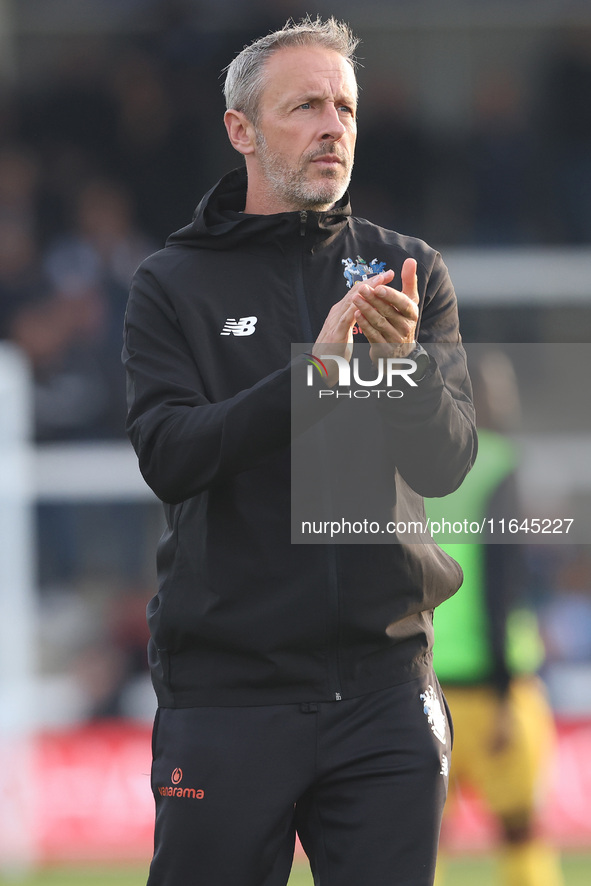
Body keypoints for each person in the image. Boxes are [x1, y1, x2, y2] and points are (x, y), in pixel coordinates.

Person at [122, 16, 477, 886]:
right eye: (307, 106)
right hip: (229, 694)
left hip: (385, 689)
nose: (333, 127)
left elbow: (445, 464)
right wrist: (314, 374)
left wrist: (400, 375)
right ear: (242, 130)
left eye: (345, 107)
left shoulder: (407, 271)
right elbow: (170, 454)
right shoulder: (171, 282)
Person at [427, 351, 564, 886]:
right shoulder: (501, 464)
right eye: (496, 390)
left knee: (424, 836)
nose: (505, 400)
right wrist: (506, 692)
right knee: (519, 828)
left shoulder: (418, 466)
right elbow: (500, 581)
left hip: (422, 679)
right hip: (492, 686)